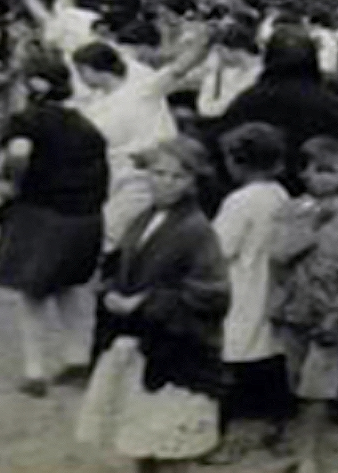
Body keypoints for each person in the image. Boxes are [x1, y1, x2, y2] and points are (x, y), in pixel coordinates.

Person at [76, 136, 228, 473]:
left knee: (170, 448)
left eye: (178, 176)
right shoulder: (144, 218)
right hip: (139, 345)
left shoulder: (197, 230)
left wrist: (146, 301)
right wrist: (111, 290)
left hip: (178, 353)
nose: (165, 182)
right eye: (158, 173)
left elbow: (213, 293)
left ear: (194, 181)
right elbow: (120, 265)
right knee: (140, 438)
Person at [0, 54, 110, 396]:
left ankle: (34, 372)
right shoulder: (85, 125)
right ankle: (77, 359)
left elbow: (18, 153)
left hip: (44, 216)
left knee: (32, 294)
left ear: (35, 85)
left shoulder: (27, 120)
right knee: (67, 287)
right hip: (86, 219)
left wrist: (12, 185)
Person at [267, 136, 338, 473]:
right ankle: (295, 445)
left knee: (318, 387)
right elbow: (278, 255)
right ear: (303, 173)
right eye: (317, 170)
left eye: (332, 171)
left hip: (330, 315)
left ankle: (308, 456)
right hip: (291, 311)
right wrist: (312, 227)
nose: (324, 178)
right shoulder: (288, 212)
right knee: (295, 382)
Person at [73, 27, 211, 248]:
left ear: (89, 69)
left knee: (113, 235)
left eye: (80, 71)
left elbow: (180, 68)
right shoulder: (93, 104)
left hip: (149, 174)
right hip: (114, 178)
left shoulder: (142, 88)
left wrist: (205, 42)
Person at [203, 28, 338, 198]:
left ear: (268, 59)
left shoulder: (248, 101)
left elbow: (218, 145)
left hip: (256, 196)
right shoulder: (332, 106)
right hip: (318, 196)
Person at [212, 123, 295, 443]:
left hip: (241, 281)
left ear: (236, 161)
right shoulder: (279, 193)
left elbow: (221, 248)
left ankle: (228, 428)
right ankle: (275, 421)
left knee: (233, 350)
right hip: (270, 279)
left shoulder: (240, 201)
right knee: (268, 348)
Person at [196, 21, 263, 119]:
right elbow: (205, 109)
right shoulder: (228, 70)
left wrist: (213, 72)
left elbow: (210, 110)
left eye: (217, 52)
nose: (214, 56)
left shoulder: (258, 74)